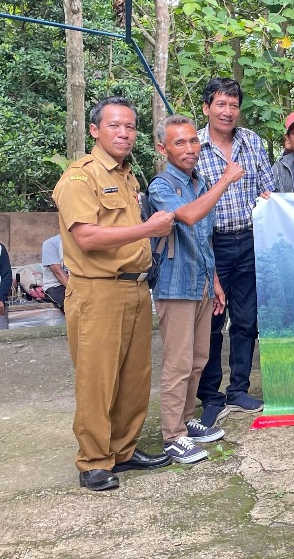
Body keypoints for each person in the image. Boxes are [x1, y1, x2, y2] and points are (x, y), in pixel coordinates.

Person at [52, 96, 176, 492]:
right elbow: (87, 238)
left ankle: (123, 450)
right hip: (97, 291)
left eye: (130, 126)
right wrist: (148, 230)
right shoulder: (79, 178)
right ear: (94, 130)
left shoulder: (127, 176)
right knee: (98, 379)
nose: (124, 133)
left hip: (135, 288)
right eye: (114, 125)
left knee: (134, 378)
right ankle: (93, 461)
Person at [150, 115, 244, 464]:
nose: (190, 149)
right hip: (175, 286)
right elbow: (188, 217)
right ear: (162, 149)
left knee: (198, 359)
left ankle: (186, 419)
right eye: (180, 142)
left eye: (193, 141)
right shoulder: (161, 186)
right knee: (177, 363)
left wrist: (215, 282)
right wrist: (226, 180)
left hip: (201, 283)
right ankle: (173, 436)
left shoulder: (199, 181)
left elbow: (205, 237)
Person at [195, 78, 276, 427]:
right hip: (212, 245)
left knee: (246, 320)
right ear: (207, 108)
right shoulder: (194, 146)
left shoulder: (252, 141)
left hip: (250, 241)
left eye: (233, 105)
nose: (228, 111)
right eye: (221, 104)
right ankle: (210, 396)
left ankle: (238, 389)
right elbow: (191, 205)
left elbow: (269, 190)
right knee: (212, 320)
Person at [40, 234, 68, 312]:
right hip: (56, 286)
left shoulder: (82, 242)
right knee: (72, 303)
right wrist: (76, 291)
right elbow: (58, 273)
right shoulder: (50, 243)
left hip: (76, 283)